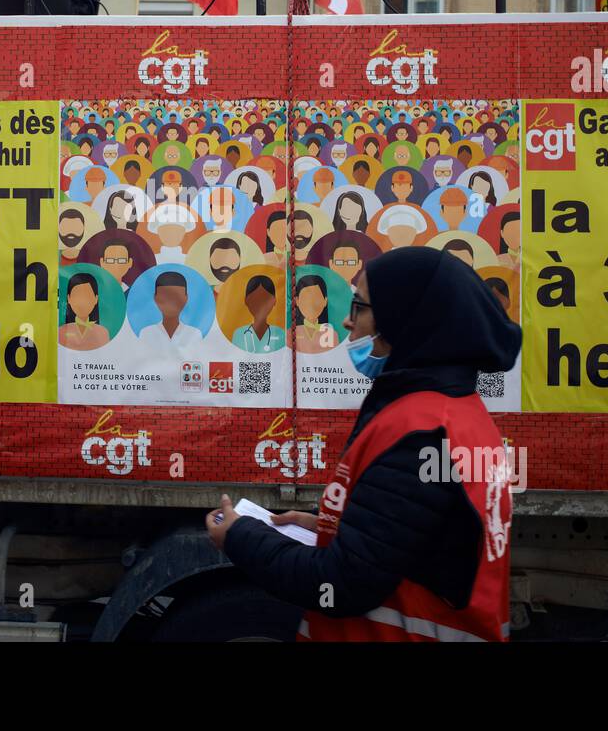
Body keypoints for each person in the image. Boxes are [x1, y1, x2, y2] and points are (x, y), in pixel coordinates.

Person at [207, 247, 521, 642]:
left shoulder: (421, 433)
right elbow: (413, 546)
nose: (346, 320)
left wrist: (238, 537)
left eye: (360, 307)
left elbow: (341, 585)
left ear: (406, 320)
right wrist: (334, 529)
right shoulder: (457, 413)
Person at [136, 271, 203, 350]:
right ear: (155, 298)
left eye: (176, 297)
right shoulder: (146, 334)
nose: (171, 302)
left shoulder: (195, 334)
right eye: (165, 296)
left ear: (186, 298)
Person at [231, 275, 286, 353]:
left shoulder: (280, 333)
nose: (260, 305)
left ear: (274, 301)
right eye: (254, 299)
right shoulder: (238, 334)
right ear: (246, 301)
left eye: (265, 299)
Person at [59, 273, 111, 350]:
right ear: (69, 298)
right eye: (77, 296)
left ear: (96, 299)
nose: (82, 302)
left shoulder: (103, 333)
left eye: (87, 296)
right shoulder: (61, 332)